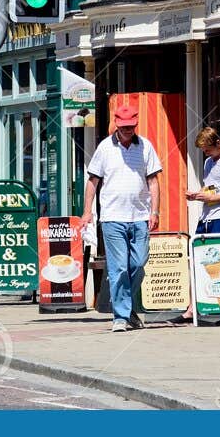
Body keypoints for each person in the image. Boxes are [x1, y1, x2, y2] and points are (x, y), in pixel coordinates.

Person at [85, 106, 161, 333]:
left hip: (140, 217)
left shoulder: (145, 146)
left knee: (138, 264)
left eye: (131, 126)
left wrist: (155, 212)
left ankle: (126, 309)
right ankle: (120, 316)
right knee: (119, 269)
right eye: (124, 127)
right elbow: (93, 182)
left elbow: (153, 182)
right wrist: (87, 211)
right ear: (116, 125)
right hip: (112, 218)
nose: (128, 130)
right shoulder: (104, 148)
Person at [186, 127, 220, 237]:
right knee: (197, 247)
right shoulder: (208, 162)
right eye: (204, 151)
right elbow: (210, 186)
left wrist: (211, 198)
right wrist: (197, 195)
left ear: (218, 143)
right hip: (205, 217)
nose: (206, 154)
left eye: (208, 150)